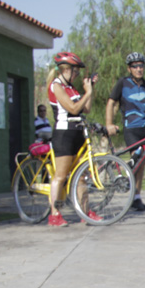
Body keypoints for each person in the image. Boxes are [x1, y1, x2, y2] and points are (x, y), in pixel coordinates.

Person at [46, 51, 98, 227]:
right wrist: (87, 93)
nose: (76, 75)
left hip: (78, 133)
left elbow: (87, 109)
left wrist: (89, 91)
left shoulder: (72, 88)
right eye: (75, 71)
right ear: (65, 69)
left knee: (81, 176)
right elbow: (73, 109)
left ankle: (85, 212)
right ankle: (54, 214)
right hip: (64, 134)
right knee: (60, 176)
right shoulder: (57, 86)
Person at [106, 52, 145, 212]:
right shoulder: (123, 83)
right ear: (129, 69)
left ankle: (136, 197)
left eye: (141, 65)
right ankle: (124, 173)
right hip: (131, 129)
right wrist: (109, 123)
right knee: (137, 156)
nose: (139, 69)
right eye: (135, 66)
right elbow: (111, 102)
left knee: (142, 164)